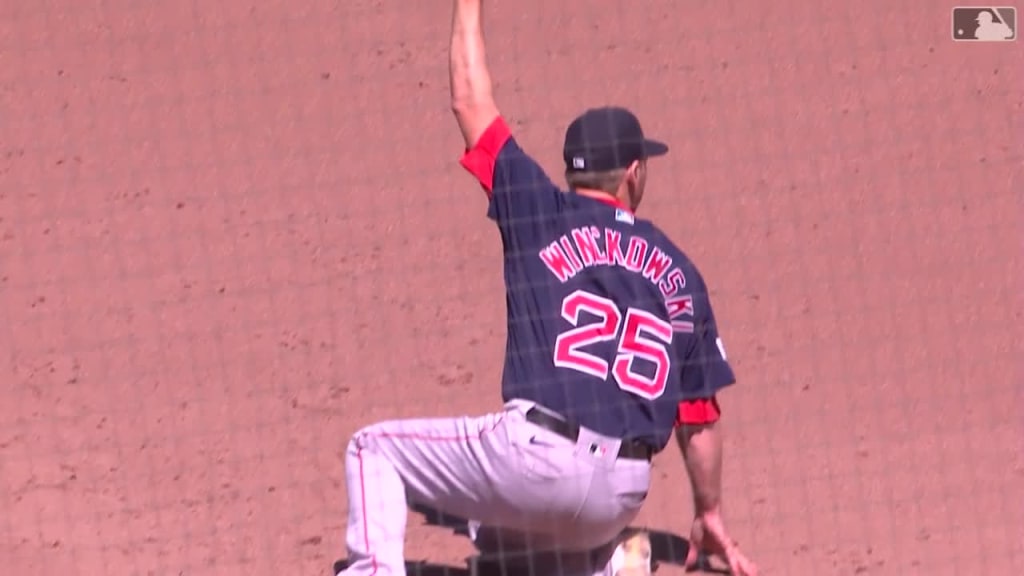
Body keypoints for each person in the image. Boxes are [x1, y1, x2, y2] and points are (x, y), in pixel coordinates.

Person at [335, 1, 757, 574]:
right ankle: (611, 563)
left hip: (534, 463)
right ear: (634, 173)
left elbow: (469, 100)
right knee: (516, 533)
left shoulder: (536, 208)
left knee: (374, 450)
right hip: (620, 491)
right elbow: (699, 416)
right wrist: (710, 513)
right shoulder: (679, 272)